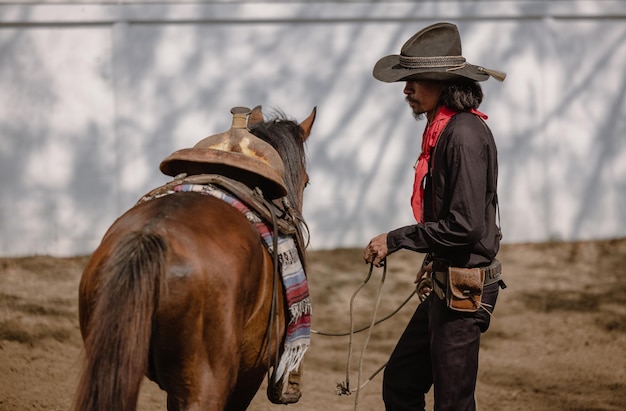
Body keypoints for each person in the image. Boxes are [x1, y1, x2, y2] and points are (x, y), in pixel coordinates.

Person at [363, 22, 507, 410]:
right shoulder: (445, 130)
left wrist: (394, 240)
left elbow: (464, 225)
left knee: (453, 402)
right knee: (401, 381)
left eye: (414, 80)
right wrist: (434, 259)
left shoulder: (462, 135)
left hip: (464, 290)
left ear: (443, 83)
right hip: (448, 279)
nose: (406, 89)